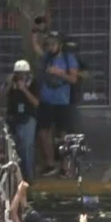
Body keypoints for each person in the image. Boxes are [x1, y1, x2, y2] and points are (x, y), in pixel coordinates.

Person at [32, 29, 79, 177]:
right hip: (46, 101)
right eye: (48, 45)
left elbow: (73, 79)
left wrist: (59, 73)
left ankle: (65, 166)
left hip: (62, 102)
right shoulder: (47, 57)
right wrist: (35, 32)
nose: (50, 47)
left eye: (53, 44)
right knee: (43, 132)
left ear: (59, 44)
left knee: (64, 134)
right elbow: (36, 48)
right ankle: (50, 163)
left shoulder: (68, 59)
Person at [1, 59, 41, 181]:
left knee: (27, 147)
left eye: (23, 73)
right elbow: (1, 96)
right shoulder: (11, 83)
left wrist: (24, 89)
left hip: (27, 118)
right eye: (18, 73)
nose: (20, 76)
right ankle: (17, 176)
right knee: (14, 147)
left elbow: (36, 103)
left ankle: (28, 176)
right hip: (13, 119)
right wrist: (9, 85)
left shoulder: (33, 84)